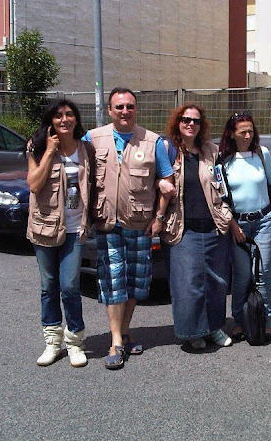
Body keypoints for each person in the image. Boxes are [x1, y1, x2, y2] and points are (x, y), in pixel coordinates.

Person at [83, 87, 174, 370]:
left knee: (134, 281)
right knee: (113, 281)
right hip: (107, 222)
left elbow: (167, 181)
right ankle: (116, 342)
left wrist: (159, 218)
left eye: (130, 106)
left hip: (140, 223)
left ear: (136, 109)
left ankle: (124, 330)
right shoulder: (92, 139)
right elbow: (72, 160)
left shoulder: (153, 142)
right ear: (110, 110)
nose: (125, 111)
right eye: (119, 107)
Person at [161, 103, 234, 350]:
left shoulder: (211, 151)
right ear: (177, 123)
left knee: (216, 283)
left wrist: (226, 213)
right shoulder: (168, 150)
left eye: (196, 121)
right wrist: (160, 185)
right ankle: (193, 331)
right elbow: (155, 179)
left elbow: (223, 185)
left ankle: (215, 328)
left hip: (213, 226)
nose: (191, 124)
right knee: (189, 284)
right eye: (186, 120)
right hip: (184, 228)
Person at [26, 99, 93, 368]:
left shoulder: (86, 149)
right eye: (58, 116)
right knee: (49, 286)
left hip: (75, 228)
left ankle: (75, 342)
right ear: (50, 122)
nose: (64, 120)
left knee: (70, 286)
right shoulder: (37, 147)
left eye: (69, 114)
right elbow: (34, 184)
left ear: (76, 119)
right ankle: (52, 342)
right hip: (44, 227)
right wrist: (49, 152)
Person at [218, 112, 271, 342]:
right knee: (243, 275)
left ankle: (265, 322)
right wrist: (232, 224)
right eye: (242, 132)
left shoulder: (262, 154)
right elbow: (221, 198)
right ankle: (239, 321)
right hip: (238, 225)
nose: (247, 136)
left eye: (250, 131)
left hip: (264, 221)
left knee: (263, 273)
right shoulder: (223, 160)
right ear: (232, 134)